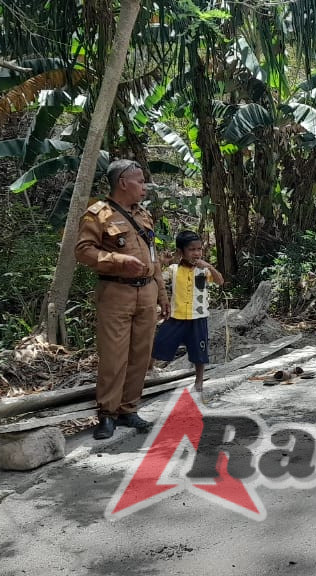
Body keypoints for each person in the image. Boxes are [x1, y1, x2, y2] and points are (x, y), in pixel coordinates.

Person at [75, 160, 169, 439]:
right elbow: (83, 251)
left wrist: (162, 295)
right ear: (123, 183)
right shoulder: (98, 214)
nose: (144, 186)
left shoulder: (143, 215)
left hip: (147, 292)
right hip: (116, 292)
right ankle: (107, 414)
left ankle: (129, 409)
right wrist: (118, 260)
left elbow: (153, 258)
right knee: (114, 356)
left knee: (141, 355)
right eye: (139, 181)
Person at [152, 230, 224, 393]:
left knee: (199, 350)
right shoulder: (174, 269)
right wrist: (161, 263)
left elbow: (220, 281)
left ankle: (199, 381)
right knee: (160, 343)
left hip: (198, 317)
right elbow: (157, 280)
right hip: (176, 316)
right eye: (192, 249)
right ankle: (149, 370)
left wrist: (209, 266)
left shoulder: (204, 271)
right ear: (180, 252)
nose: (196, 253)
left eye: (199, 249)